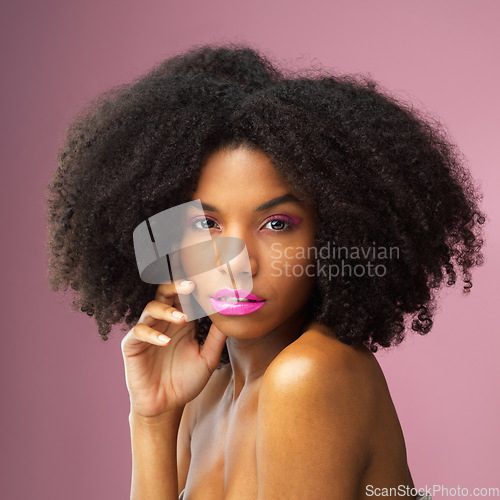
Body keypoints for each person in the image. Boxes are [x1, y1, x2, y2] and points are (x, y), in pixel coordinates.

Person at [45, 44, 484, 499]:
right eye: (206, 224)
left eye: (276, 224)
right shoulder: (205, 389)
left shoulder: (308, 377)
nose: (238, 263)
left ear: (334, 234)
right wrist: (152, 419)